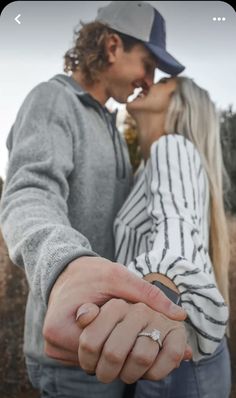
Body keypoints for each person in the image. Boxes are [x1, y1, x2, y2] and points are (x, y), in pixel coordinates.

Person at [0, 2, 191, 398]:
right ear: (112, 46)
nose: (149, 81)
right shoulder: (53, 100)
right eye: (147, 63)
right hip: (74, 352)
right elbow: (29, 191)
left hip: (117, 342)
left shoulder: (108, 122)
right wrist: (68, 265)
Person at [112, 76, 231, 397]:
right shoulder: (148, 168)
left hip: (173, 353)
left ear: (180, 104)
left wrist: (150, 322)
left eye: (165, 81)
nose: (149, 80)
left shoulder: (171, 147)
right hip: (174, 350)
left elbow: (174, 237)